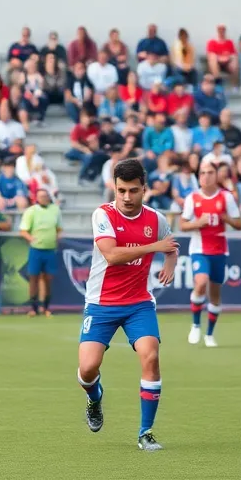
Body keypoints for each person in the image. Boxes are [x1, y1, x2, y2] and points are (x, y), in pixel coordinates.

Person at [77, 158, 178, 451]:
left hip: (138, 303)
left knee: (150, 356)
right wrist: (154, 248)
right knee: (87, 368)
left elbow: (170, 245)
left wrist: (169, 262)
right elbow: (111, 255)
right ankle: (94, 398)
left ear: (144, 189)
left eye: (133, 191)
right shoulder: (103, 215)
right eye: (121, 190)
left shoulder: (156, 219)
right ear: (114, 188)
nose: (126, 197)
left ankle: (145, 432)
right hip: (101, 303)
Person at [178, 160, 241, 347]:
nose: (206, 176)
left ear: (216, 176)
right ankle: (196, 324)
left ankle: (209, 334)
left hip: (220, 250)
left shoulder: (226, 197)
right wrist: (198, 223)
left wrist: (226, 218)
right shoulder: (193, 198)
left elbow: (239, 224)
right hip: (199, 249)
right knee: (201, 283)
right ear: (199, 177)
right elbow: (182, 224)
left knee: (215, 294)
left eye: (210, 173)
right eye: (202, 173)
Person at [20, 187, 63, 318]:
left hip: (50, 249)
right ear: (36, 198)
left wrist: (57, 238)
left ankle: (46, 307)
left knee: (48, 279)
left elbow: (59, 228)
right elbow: (23, 230)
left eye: (45, 196)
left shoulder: (55, 210)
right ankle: (33, 308)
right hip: (36, 249)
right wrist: (31, 239)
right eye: (41, 196)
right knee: (33, 278)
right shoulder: (31, 211)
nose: (43, 198)